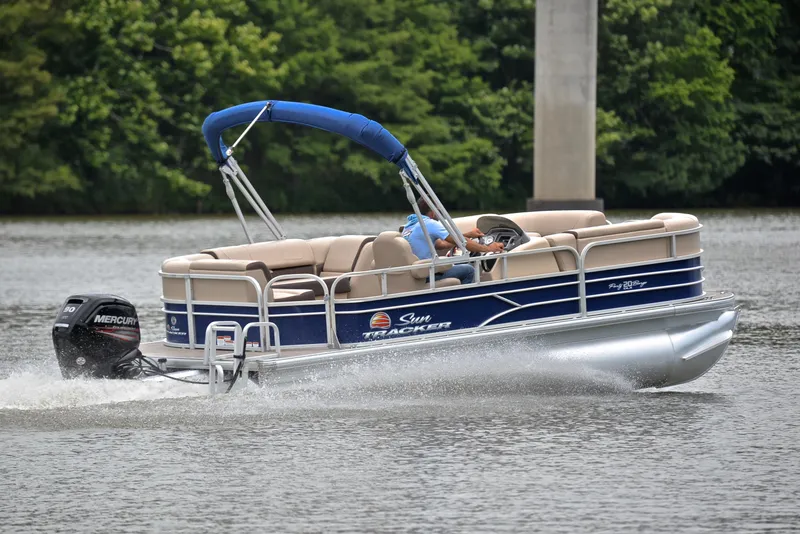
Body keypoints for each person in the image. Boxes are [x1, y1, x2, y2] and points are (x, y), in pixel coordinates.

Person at [402, 198, 504, 285]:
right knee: (469, 270)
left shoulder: (410, 226)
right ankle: (465, 303)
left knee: (462, 261)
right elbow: (463, 242)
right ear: (433, 211)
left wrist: (468, 234)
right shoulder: (429, 224)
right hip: (427, 275)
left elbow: (442, 244)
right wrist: (489, 248)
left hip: (417, 274)